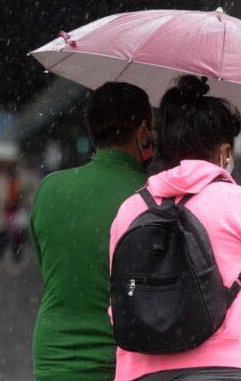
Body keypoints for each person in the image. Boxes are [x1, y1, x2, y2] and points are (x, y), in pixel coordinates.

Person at [110, 75, 241, 381]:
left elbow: (120, 306)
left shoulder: (130, 210)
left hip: (146, 373)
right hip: (235, 370)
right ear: (225, 152)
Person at [30, 82, 154, 381]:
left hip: (55, 356)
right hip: (127, 358)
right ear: (142, 133)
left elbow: (49, 264)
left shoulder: (50, 189)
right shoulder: (153, 197)